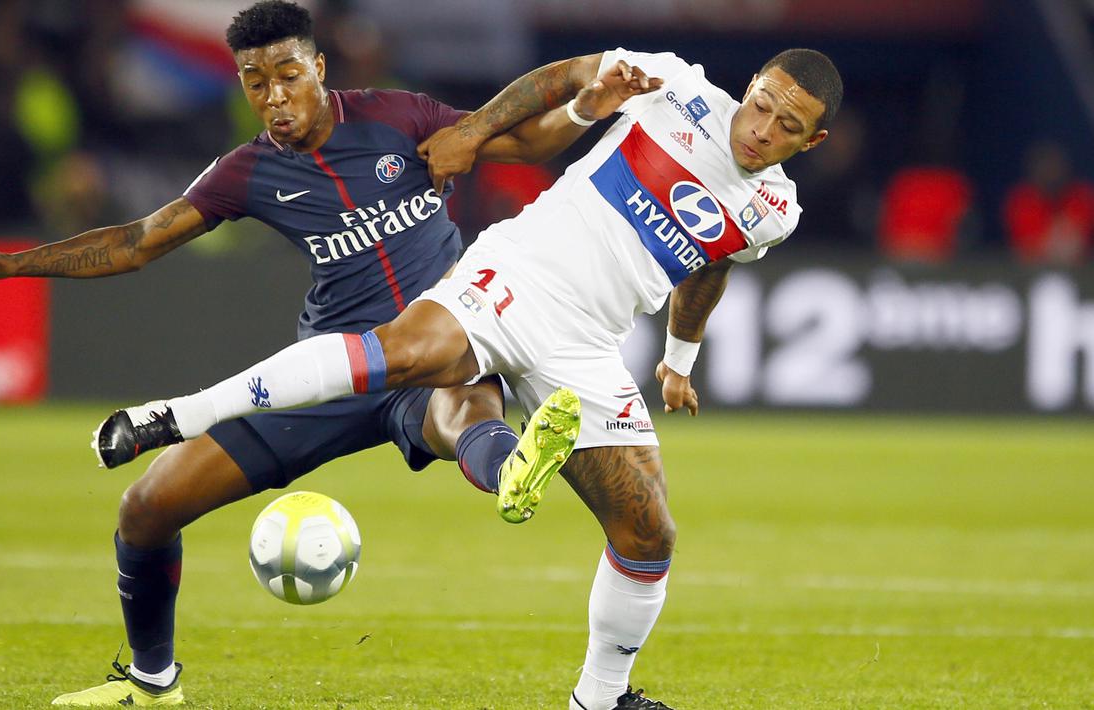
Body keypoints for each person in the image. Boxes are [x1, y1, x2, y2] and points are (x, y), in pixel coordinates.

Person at [0, 1, 662, 706]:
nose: (273, 96)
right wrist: (17, 265)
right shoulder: (246, 172)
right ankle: (152, 680)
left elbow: (516, 143)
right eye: (255, 82)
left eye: (286, 75)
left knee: (461, 406)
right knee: (147, 506)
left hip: (438, 345)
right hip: (330, 373)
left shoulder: (397, 117)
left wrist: (582, 108)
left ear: (317, 66)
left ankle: (512, 470)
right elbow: (139, 241)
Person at [97, 43, 842, 710]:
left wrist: (679, 361)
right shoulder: (672, 84)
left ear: (811, 142)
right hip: (518, 272)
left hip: (586, 346)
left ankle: (599, 699)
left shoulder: (774, 211)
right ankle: (177, 414)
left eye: (784, 126)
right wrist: (474, 129)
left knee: (648, 532)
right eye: (761, 103)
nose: (759, 128)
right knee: (402, 351)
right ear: (750, 85)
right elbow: (560, 78)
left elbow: (709, 265)